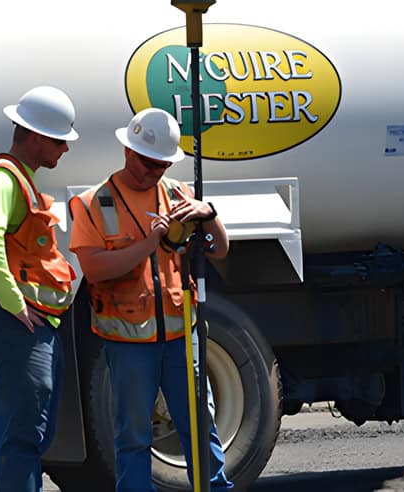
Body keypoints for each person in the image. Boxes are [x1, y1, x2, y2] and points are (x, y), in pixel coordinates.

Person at [69, 107, 234, 491]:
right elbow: (94, 268)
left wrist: (209, 214)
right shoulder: (95, 202)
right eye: (148, 162)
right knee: (133, 436)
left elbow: (220, 250)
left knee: (200, 425)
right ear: (129, 151)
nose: (154, 171)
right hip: (128, 344)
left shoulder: (179, 194)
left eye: (162, 165)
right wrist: (148, 244)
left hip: (181, 339)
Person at [0, 86, 79, 492]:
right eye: (59, 140)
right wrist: (13, 302)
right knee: (22, 441)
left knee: (29, 437)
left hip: (28, 327)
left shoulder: (19, 181)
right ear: (35, 136)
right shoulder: (4, 179)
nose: (65, 149)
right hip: (15, 327)